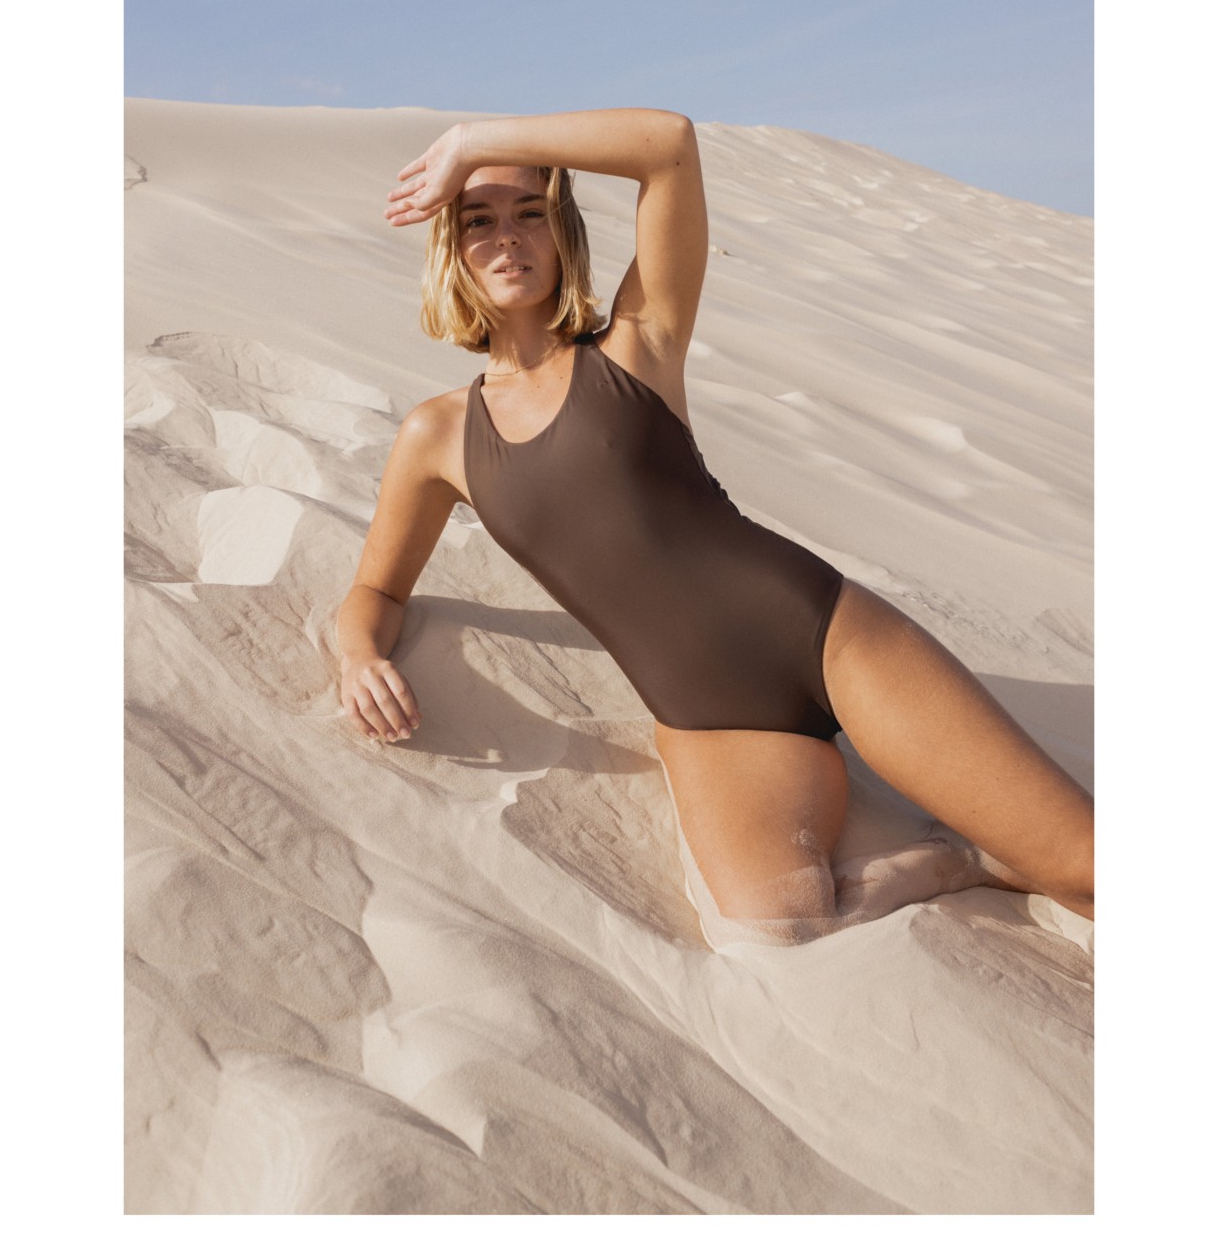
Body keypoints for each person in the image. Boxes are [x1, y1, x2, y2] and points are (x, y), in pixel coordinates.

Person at [335, 108, 1093, 948]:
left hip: (822, 637)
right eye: (479, 221)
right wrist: (360, 654)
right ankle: (959, 859)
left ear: (563, 233)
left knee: (1091, 871)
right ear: (452, 248)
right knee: (777, 929)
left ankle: (1010, 850)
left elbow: (668, 148)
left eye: (531, 213)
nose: (507, 238)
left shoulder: (636, 343)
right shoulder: (437, 436)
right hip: (709, 717)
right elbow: (376, 590)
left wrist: (474, 144)